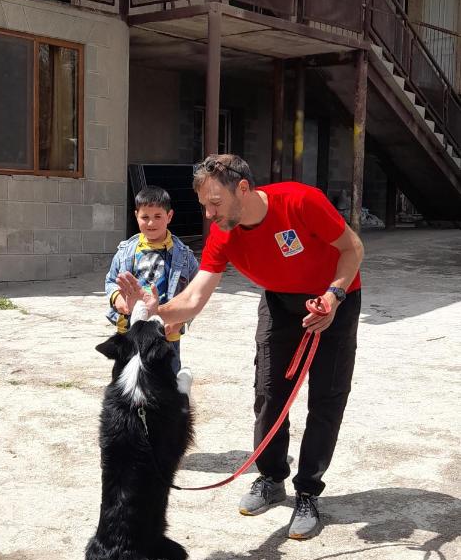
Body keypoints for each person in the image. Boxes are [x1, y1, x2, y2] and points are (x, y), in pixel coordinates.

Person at [117, 155, 363, 540]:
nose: (209, 214)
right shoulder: (224, 233)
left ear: (243, 189)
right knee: (268, 391)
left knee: (327, 398)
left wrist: (333, 296)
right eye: (203, 206)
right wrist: (153, 311)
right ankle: (270, 477)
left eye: (215, 202)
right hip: (280, 302)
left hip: (334, 298)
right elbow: (196, 295)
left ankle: (308, 492)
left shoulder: (300, 201)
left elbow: (353, 248)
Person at [105, 185, 199, 372]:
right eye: (145, 217)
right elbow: (110, 281)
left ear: (169, 216)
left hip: (166, 333)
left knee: (166, 380)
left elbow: (195, 293)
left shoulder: (184, 255)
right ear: (136, 216)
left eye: (157, 216)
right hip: (130, 331)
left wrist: (180, 320)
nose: (150, 223)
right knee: (128, 379)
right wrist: (118, 299)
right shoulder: (125, 252)